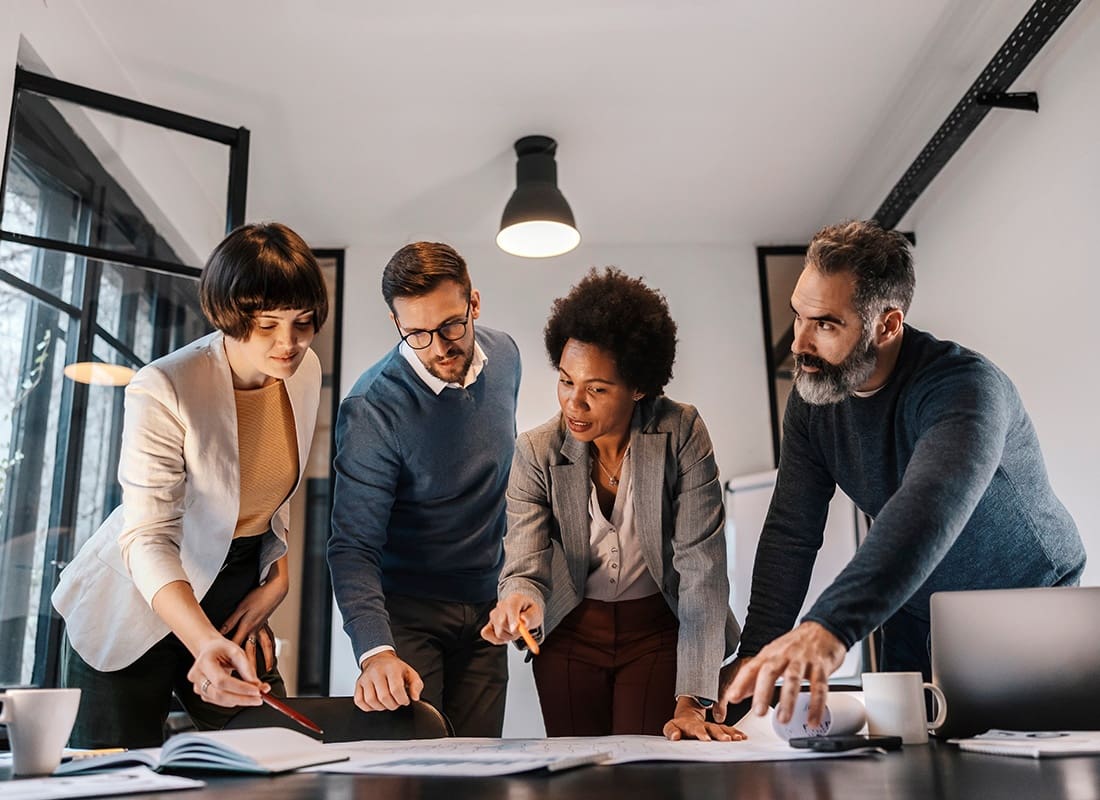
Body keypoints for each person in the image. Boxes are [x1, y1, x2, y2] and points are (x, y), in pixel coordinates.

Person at [716, 219, 1086, 731]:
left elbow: (929, 504)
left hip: (1021, 603)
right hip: (912, 604)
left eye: (825, 324)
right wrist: (754, 658)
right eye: (797, 316)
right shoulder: (813, 402)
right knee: (904, 754)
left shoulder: (965, 389)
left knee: (1011, 764)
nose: (798, 343)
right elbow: (791, 534)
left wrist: (830, 625)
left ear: (887, 326)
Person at [53, 222, 328, 748]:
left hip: (232, 590)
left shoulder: (305, 370)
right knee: (120, 779)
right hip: (140, 597)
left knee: (275, 757)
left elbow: (270, 493)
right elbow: (148, 536)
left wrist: (277, 577)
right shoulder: (165, 386)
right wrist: (201, 640)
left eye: (303, 322)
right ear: (228, 315)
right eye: (267, 324)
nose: (288, 343)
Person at [482, 267, 742, 741]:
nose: (573, 404)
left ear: (639, 387)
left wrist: (691, 702)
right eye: (565, 381)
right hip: (570, 633)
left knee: (647, 771)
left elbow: (701, 567)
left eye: (596, 389)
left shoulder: (680, 432)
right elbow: (525, 563)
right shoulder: (536, 450)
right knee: (578, 775)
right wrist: (518, 601)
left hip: (658, 633)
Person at [328, 242, 521, 737]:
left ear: (473, 304)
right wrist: (376, 652)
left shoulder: (506, 358)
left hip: (486, 607)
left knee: (482, 767)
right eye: (416, 333)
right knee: (417, 769)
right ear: (397, 325)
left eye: (451, 325)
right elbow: (353, 546)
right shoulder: (372, 409)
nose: (438, 347)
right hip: (407, 616)